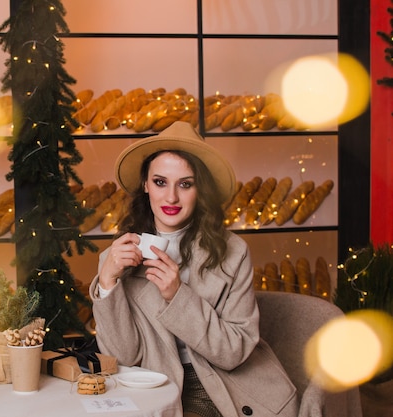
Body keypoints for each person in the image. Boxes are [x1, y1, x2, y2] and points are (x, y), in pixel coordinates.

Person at [89, 121, 299, 417]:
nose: (171, 197)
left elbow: (234, 353)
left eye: (185, 184)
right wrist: (108, 283)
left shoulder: (233, 252)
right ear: (145, 185)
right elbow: (121, 358)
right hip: (152, 385)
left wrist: (178, 296)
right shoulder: (118, 257)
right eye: (160, 182)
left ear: (200, 190)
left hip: (218, 383)